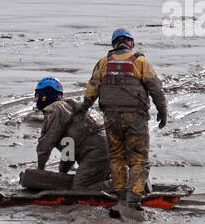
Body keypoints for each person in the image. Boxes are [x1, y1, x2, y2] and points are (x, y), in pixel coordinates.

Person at [77, 29, 167, 209]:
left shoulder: (103, 63)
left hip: (111, 119)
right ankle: (133, 199)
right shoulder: (140, 62)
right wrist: (162, 112)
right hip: (136, 118)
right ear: (131, 44)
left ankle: (120, 195)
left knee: (116, 157)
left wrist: (82, 110)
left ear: (113, 44)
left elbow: (92, 90)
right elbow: (156, 89)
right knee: (138, 158)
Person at [28, 77, 111, 191]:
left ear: (45, 94)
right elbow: (69, 150)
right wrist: (62, 173)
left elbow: (46, 143)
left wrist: (39, 170)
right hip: (106, 149)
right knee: (92, 180)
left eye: (37, 96)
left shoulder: (55, 109)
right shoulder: (69, 107)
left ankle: (123, 187)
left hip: (96, 152)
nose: (35, 100)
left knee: (80, 188)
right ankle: (120, 182)